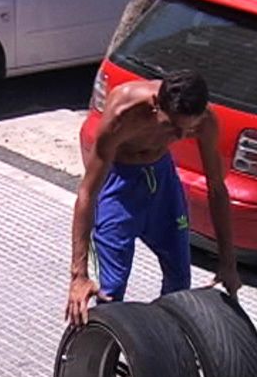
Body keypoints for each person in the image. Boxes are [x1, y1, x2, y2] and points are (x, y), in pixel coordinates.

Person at [65, 69, 241, 326]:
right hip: (120, 187)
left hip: (163, 186)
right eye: (171, 126)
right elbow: (87, 192)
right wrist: (78, 275)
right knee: (111, 291)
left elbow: (216, 188)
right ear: (156, 106)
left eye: (187, 130)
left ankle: (167, 348)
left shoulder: (205, 120)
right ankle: (102, 356)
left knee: (180, 282)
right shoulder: (122, 113)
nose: (180, 137)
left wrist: (228, 261)